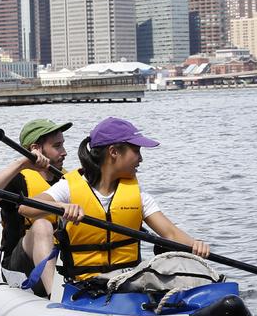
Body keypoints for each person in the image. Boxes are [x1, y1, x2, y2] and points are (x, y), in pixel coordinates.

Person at [21, 116, 210, 285]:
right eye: (136, 151)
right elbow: (26, 208)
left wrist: (196, 244)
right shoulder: (69, 188)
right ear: (113, 152)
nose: (141, 159)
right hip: (83, 286)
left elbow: (170, 233)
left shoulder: (139, 196)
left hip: (125, 282)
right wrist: (60, 207)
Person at [0, 118, 72, 296]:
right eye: (57, 146)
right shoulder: (17, 179)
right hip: (21, 268)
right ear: (36, 148)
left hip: (63, 263)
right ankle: (54, 296)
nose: (64, 152)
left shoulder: (67, 180)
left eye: (63, 145)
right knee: (42, 225)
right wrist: (22, 163)